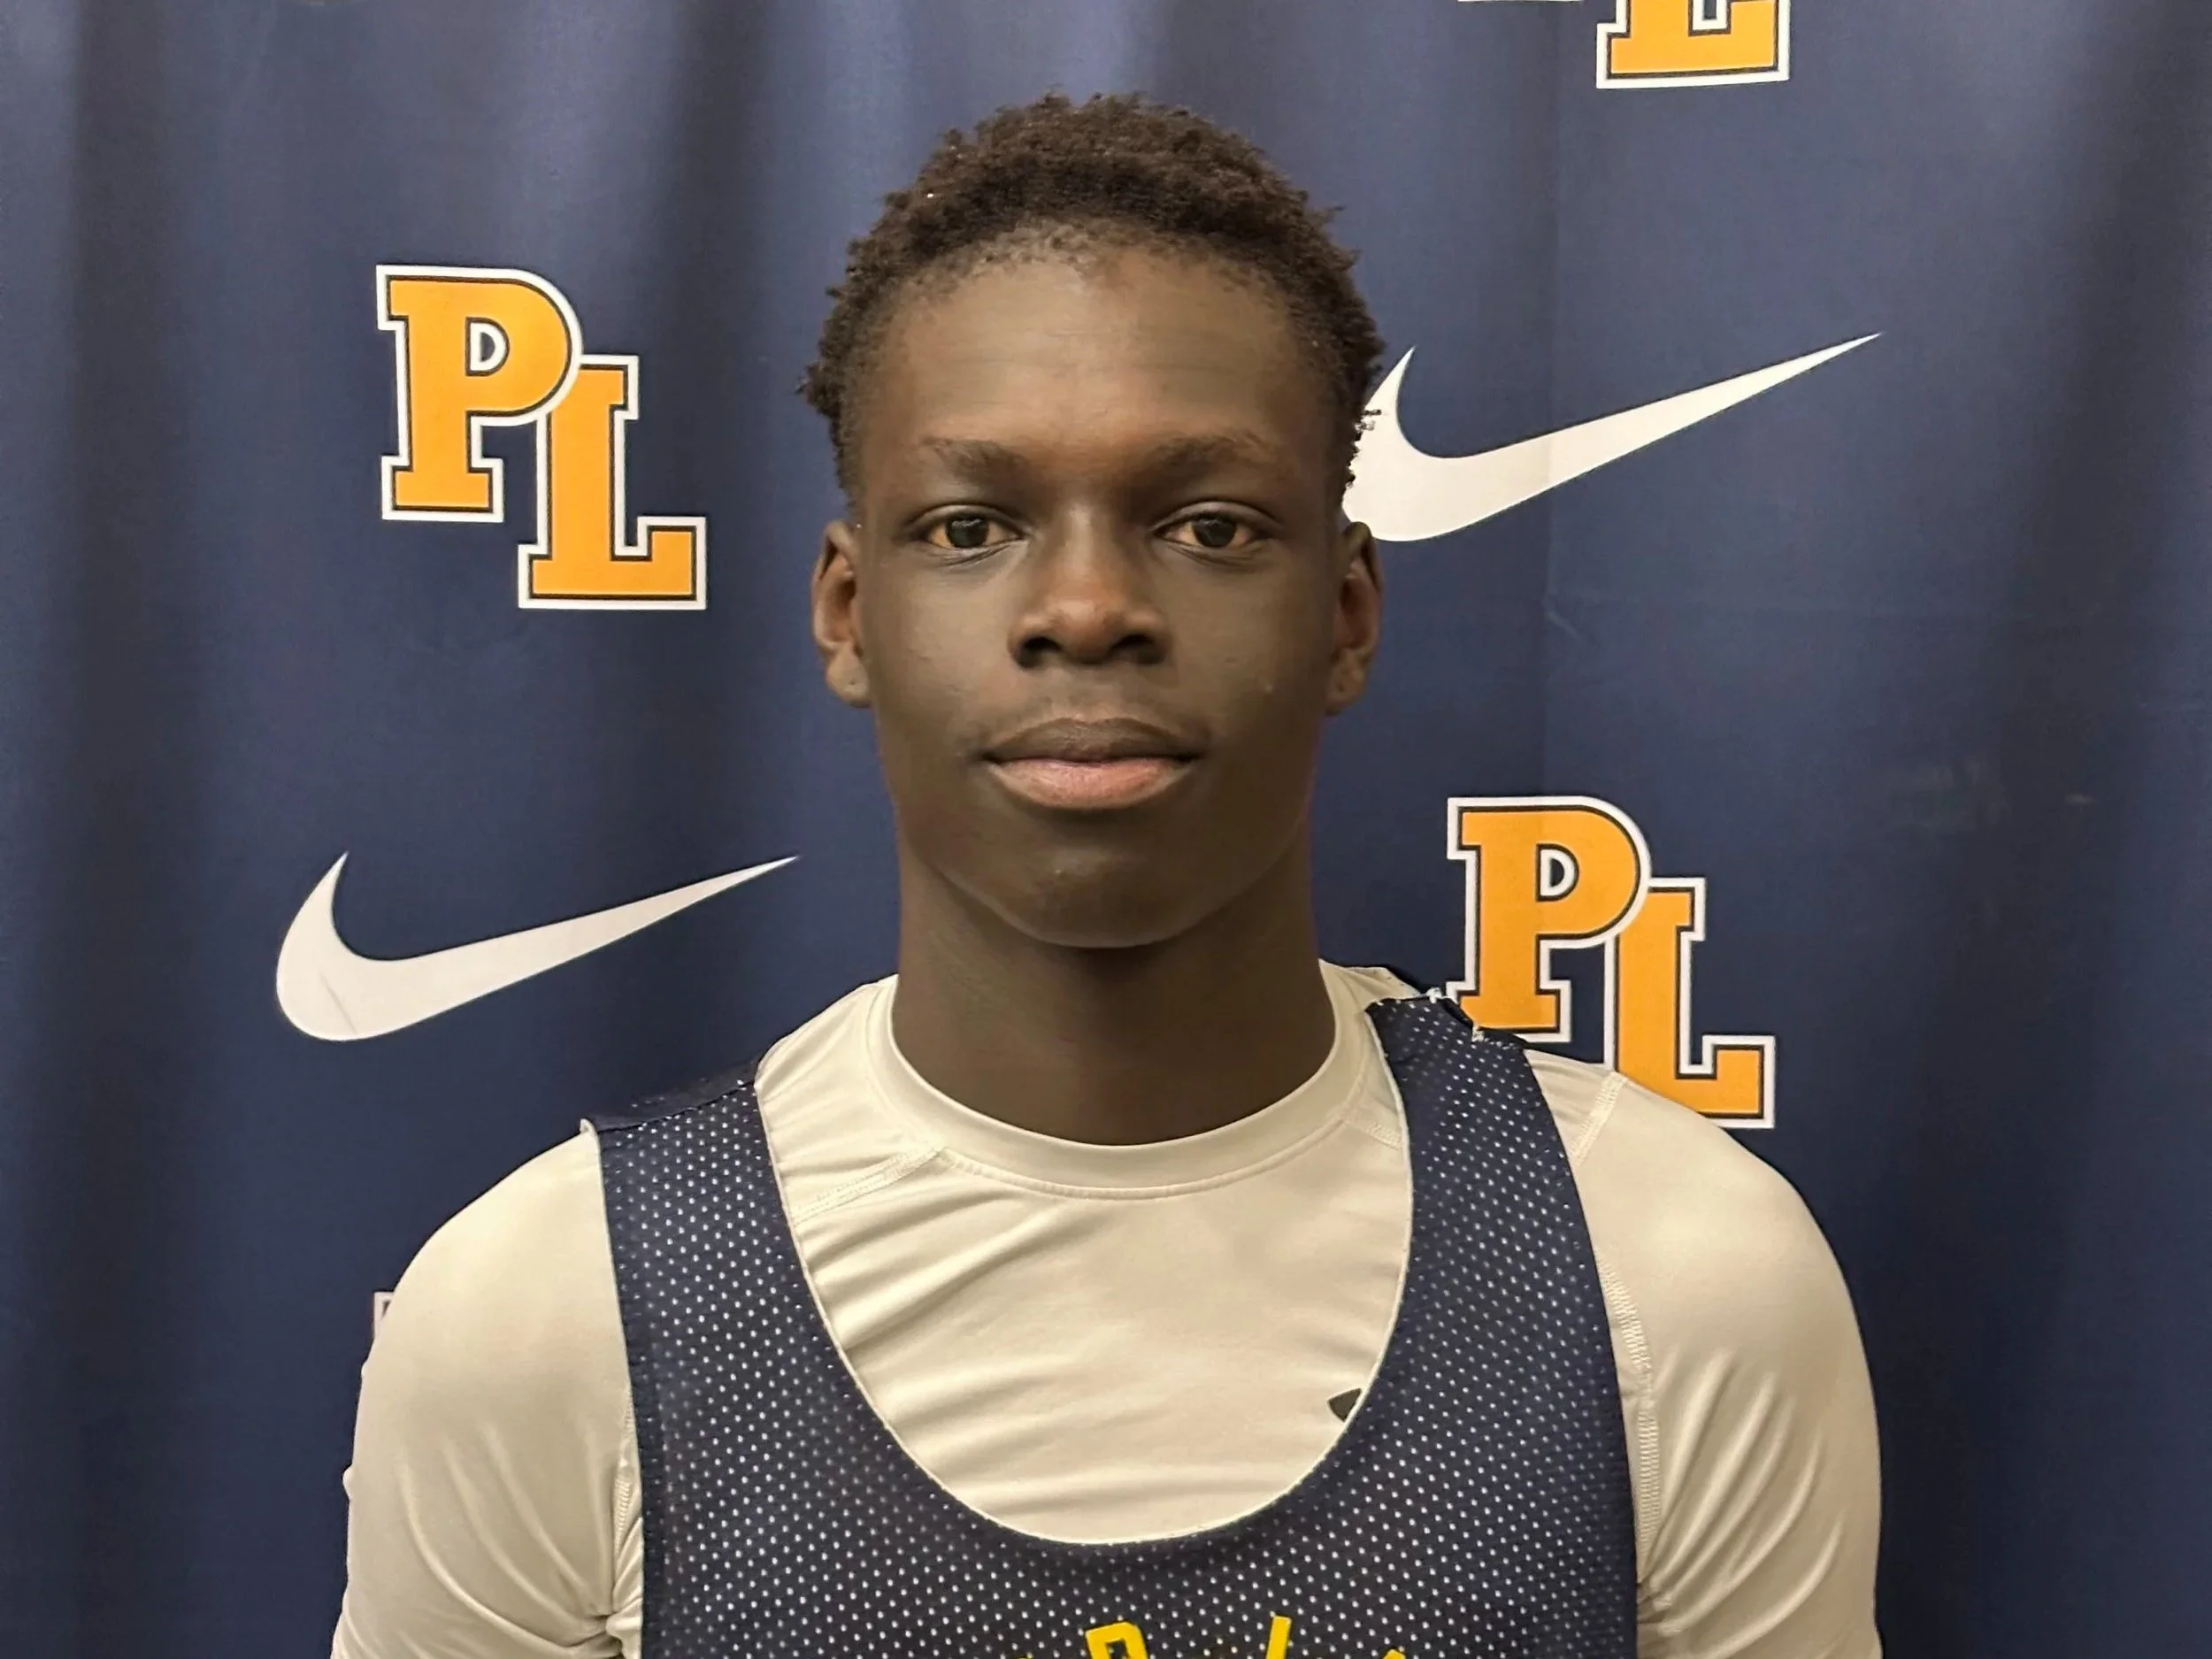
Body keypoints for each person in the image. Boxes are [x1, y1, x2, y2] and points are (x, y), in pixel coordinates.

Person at [332, 93, 1880, 1659]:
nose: (1084, 607)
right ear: (851, 613)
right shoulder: (548, 1320)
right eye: (970, 525)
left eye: (1208, 524)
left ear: (1345, 613)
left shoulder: (1670, 1278)